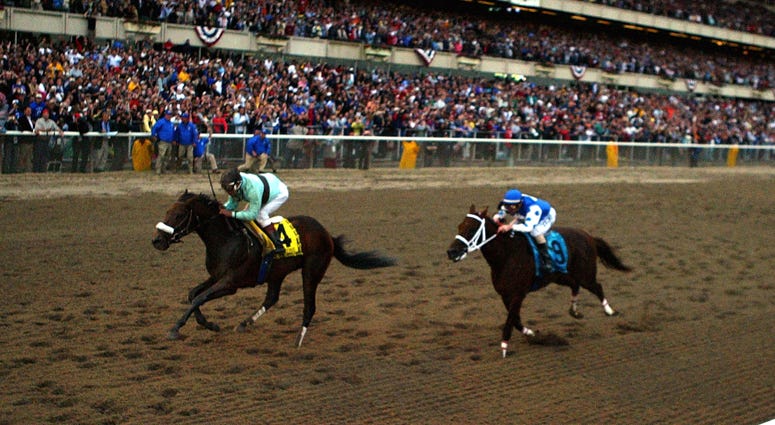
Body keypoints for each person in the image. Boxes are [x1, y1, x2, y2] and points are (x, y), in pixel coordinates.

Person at [218, 169, 288, 283]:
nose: (227, 192)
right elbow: (233, 203)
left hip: (279, 193)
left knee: (261, 214)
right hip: (266, 185)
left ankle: (277, 243)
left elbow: (251, 215)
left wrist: (231, 214)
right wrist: (224, 207)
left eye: (229, 189)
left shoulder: (252, 190)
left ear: (237, 184)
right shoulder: (236, 184)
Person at [494, 188, 557, 274]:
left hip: (546, 216)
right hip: (525, 214)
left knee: (536, 232)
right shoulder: (512, 203)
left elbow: (528, 227)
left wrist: (510, 227)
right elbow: (504, 208)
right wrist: (499, 216)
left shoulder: (533, 208)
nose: (510, 209)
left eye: (512, 207)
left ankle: (547, 260)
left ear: (520, 204)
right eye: (507, 206)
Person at [33, 108, 64, 172]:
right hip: (39, 141)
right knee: (38, 156)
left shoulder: (51, 121)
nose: (46, 115)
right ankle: (36, 170)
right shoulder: (39, 121)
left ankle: (43, 170)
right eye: (45, 114)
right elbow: (37, 130)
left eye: (47, 114)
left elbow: (56, 128)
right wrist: (47, 130)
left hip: (46, 141)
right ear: (43, 114)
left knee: (45, 157)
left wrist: (60, 131)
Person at [151, 110, 175, 175]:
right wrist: (153, 135)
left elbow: (172, 132)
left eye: (170, 115)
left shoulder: (171, 123)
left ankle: (163, 169)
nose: (169, 116)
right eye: (168, 115)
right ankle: (158, 169)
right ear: (165, 115)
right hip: (162, 141)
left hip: (169, 142)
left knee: (167, 157)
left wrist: (173, 139)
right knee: (161, 155)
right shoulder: (161, 122)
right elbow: (154, 128)